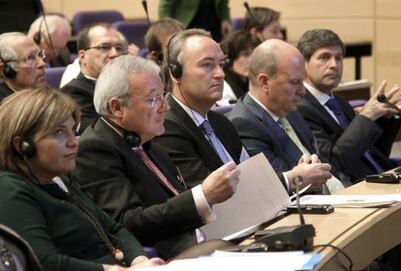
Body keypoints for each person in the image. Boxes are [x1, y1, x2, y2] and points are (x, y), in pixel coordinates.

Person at [72, 55, 240, 259]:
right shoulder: (95, 149)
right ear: (117, 108)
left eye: (163, 96)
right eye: (154, 99)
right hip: (160, 257)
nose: (165, 107)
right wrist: (203, 196)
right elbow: (127, 223)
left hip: (198, 238)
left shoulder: (149, 143)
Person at [0, 87, 165, 271]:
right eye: (58, 132)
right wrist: (109, 270)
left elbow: (114, 229)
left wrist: (139, 261)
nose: (73, 142)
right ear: (22, 146)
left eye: (72, 130)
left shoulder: (60, 179)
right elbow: (44, 262)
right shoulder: (9, 188)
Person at [226, 39, 350, 193]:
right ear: (264, 82)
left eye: (302, 81)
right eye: (294, 82)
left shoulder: (290, 110)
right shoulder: (244, 124)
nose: (302, 91)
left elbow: (326, 165)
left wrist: (348, 191)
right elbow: (278, 188)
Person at [297, 29, 401, 182]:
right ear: (303, 63)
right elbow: (333, 164)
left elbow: (371, 154)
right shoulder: (301, 108)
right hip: (354, 187)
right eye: (324, 57)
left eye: (338, 58)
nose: (334, 65)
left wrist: (383, 117)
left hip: (379, 176)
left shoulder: (339, 101)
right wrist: (366, 117)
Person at [152, 29, 249, 188]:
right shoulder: (166, 128)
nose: (220, 74)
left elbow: (253, 176)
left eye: (221, 65)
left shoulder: (221, 122)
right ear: (175, 73)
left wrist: (292, 177)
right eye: (207, 65)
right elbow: (207, 194)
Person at [61, 23, 129, 134]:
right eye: (104, 47)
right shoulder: (74, 92)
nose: (115, 54)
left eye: (119, 48)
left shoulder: (128, 84)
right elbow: (95, 133)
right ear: (83, 57)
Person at [216, 30, 261, 106]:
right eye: (245, 54)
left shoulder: (250, 83)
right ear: (228, 60)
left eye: (255, 54)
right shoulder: (224, 89)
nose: (252, 60)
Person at [0, 32, 46, 101]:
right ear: (6, 70)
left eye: (39, 54)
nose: (42, 63)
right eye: (30, 58)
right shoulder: (4, 108)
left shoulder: (47, 95)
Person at [159, 0, 231, 42]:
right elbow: (165, 7)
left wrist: (225, 19)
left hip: (214, 26)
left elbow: (223, 2)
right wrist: (167, 28)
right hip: (187, 26)